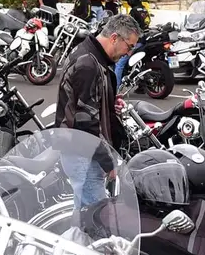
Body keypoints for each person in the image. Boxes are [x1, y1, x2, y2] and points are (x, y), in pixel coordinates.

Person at [55, 14, 141, 207]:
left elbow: (86, 102)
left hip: (81, 151)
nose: (128, 53)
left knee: (83, 215)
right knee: (97, 219)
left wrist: (108, 100)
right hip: (83, 153)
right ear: (114, 38)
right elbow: (86, 122)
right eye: (130, 46)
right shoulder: (88, 64)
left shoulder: (92, 56)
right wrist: (107, 162)